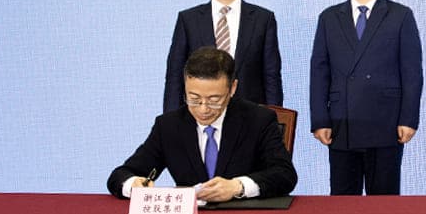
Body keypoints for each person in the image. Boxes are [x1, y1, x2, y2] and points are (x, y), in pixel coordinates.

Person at [108, 47, 297, 201]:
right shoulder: (168, 126)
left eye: (214, 100)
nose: (203, 109)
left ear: (232, 88)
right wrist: (133, 185)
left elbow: (284, 174)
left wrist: (237, 186)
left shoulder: (259, 120)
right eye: (194, 98)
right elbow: (121, 175)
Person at [309, 0, 423, 195]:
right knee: (342, 201)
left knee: (383, 202)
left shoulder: (400, 15)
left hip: (386, 121)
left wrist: (408, 118)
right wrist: (320, 120)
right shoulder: (329, 17)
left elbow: (412, 72)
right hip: (341, 121)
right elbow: (319, 72)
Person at [163, 0, 283, 113]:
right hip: (201, 115)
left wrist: (275, 120)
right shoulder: (188, 20)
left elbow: (271, 76)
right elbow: (175, 76)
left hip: (250, 117)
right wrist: (171, 121)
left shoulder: (263, 19)